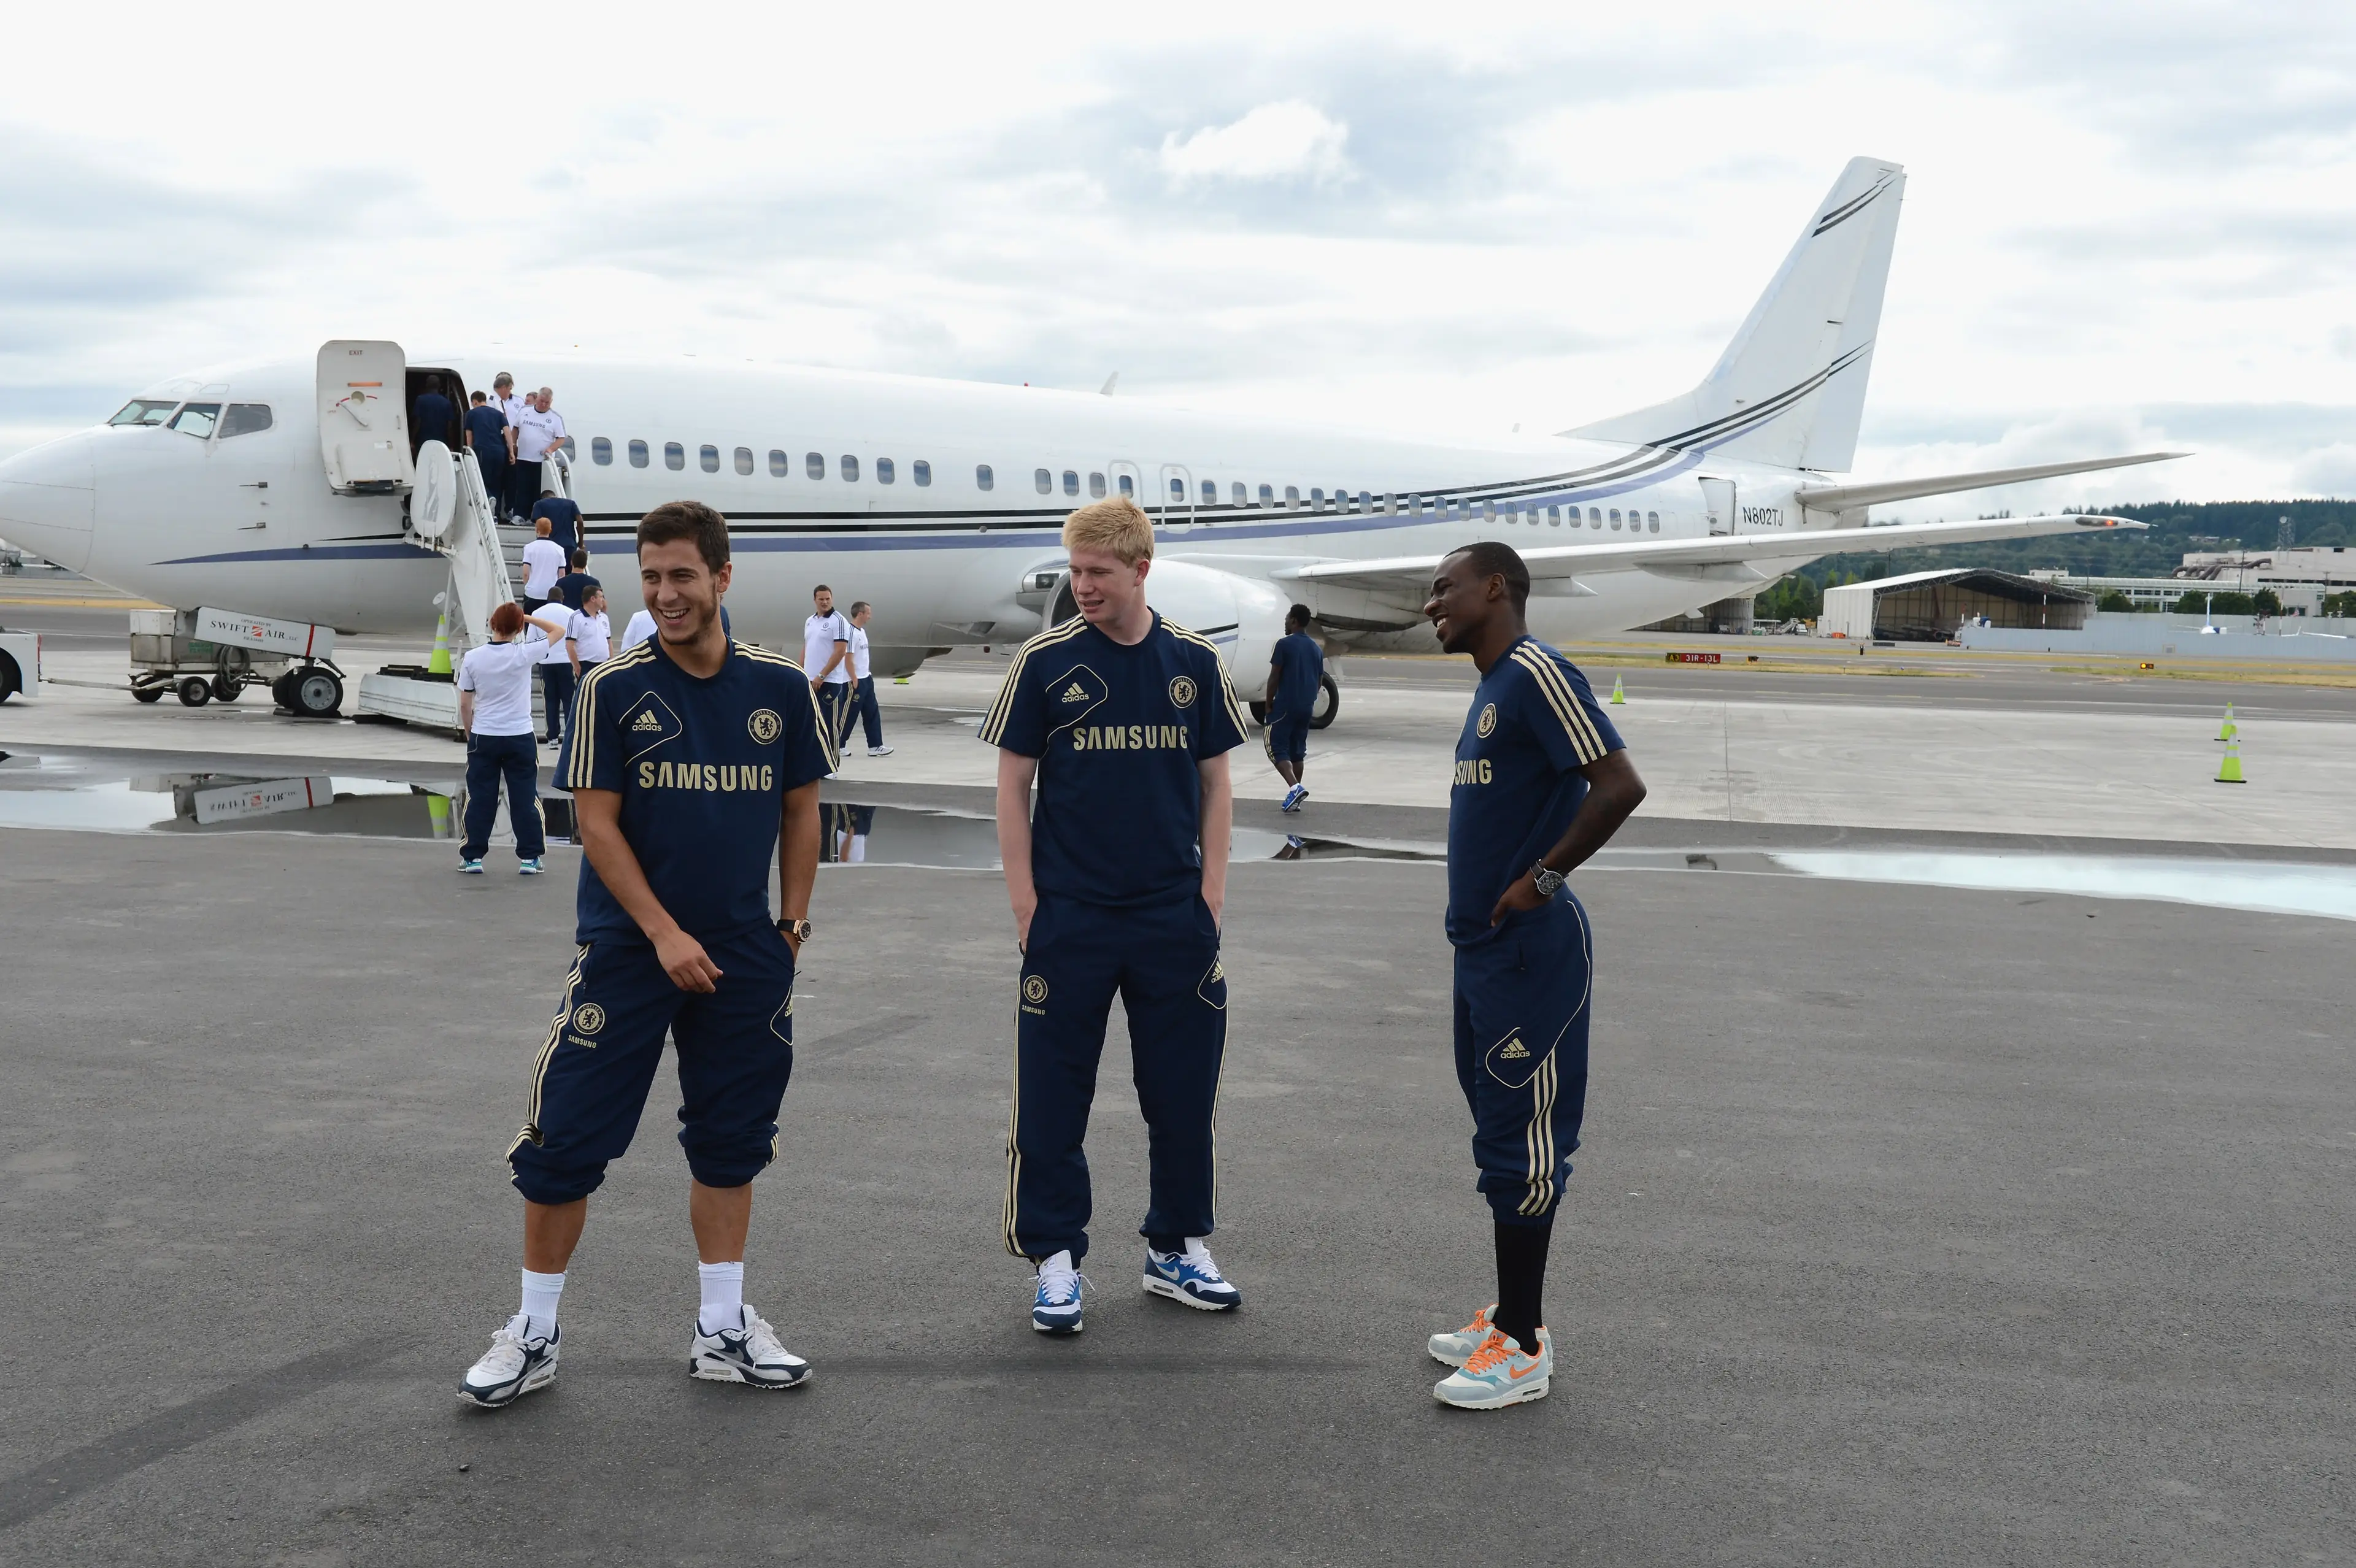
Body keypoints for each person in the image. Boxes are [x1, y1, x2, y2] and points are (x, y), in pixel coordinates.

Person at [457, 499, 836, 1409]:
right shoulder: (613, 690)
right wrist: (664, 934)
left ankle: (723, 1329)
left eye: (683, 576)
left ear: (722, 578)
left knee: (731, 1142)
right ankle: (535, 1334)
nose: (666, 594)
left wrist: (790, 928)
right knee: (565, 1140)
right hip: (630, 951)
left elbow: (800, 810)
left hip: (744, 952)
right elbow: (596, 825)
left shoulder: (779, 688)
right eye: (652, 577)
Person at [981, 495, 1249, 1335]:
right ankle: (1055, 1260)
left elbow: (1216, 784)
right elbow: (1012, 786)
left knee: (1180, 1094)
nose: (1084, 587)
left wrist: (1210, 896)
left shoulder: (1194, 664)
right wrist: (1027, 903)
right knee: (1053, 1095)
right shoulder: (1044, 662)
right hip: (1073, 920)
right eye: (1076, 571)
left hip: (1173, 918)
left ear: (1141, 570)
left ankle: (1176, 1246)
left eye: (1099, 573)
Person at [1417, 541, 1646, 1411]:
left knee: (1526, 1148)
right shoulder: (1492, 686)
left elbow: (1619, 785)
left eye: (1445, 588)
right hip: (1481, 953)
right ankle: (1514, 1317)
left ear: (1496, 588)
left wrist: (1542, 879)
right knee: (1496, 1134)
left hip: (1530, 952)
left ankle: (1521, 1352)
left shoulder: (1538, 671)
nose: (1432, 602)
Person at [455, 601, 574, 875]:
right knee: (524, 796)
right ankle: (530, 858)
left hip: (485, 734)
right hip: (519, 735)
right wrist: (527, 618)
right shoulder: (524, 653)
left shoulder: (473, 658)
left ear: (492, 625)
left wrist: (470, 731)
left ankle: (473, 857)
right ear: (519, 628)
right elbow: (558, 629)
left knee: (480, 796)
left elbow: (465, 703)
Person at [1264, 605, 1323, 812]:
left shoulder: (1284, 645)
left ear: (1295, 621)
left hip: (1286, 705)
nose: (1286, 622)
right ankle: (1295, 796)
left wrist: (1269, 703)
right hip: (1306, 706)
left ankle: (1294, 787)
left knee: (1275, 747)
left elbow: (1275, 676)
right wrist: (1311, 699)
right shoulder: (1316, 648)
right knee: (1297, 752)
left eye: (1288, 618)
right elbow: (1319, 679)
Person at [801, 586, 853, 751]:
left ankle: (832, 764)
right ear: (815, 600)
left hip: (829, 682)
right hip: (810, 680)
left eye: (827, 599)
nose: (825, 602)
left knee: (829, 724)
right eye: (821, 599)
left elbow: (840, 652)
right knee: (810, 723)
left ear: (832, 599)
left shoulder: (838, 621)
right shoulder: (810, 620)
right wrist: (801, 671)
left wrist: (822, 676)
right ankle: (813, 762)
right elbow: (807, 647)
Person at [842, 600, 892, 757]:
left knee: (872, 712)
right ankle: (838, 745)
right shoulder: (850, 634)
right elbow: (847, 658)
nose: (870, 617)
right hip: (855, 680)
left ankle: (875, 745)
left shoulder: (861, 632)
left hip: (866, 678)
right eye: (868, 613)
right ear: (860, 614)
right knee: (849, 714)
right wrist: (854, 678)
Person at [493, 374, 532, 521]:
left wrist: (514, 445)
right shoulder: (491, 400)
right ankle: (495, 512)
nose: (510, 391)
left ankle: (510, 510)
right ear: (503, 388)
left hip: (513, 444)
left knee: (511, 481)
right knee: (496, 479)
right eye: (509, 388)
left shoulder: (518, 402)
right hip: (497, 442)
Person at [464, 390, 509, 504]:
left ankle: (489, 498)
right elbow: (507, 431)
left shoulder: (471, 414)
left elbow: (469, 435)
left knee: (482, 479)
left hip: (482, 450)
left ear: (474, 402)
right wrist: (512, 452)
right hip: (500, 451)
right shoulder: (498, 414)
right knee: (497, 481)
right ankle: (496, 513)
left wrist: (469, 451)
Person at [519, 517, 565, 613]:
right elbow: (561, 575)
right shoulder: (559, 549)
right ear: (550, 530)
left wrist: (528, 585)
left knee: (530, 623)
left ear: (537, 529)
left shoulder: (529, 548)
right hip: (551, 594)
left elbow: (526, 573)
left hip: (533, 593)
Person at [410, 375, 456, 459]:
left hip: (423, 442)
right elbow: (450, 427)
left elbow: (417, 422)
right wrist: (451, 445)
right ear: (439, 386)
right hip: (442, 443)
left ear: (427, 385)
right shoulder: (447, 403)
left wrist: (412, 441)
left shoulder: (420, 400)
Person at [550, 548, 601, 615]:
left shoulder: (561, 582)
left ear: (571, 562)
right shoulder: (594, 583)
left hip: (566, 619)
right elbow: (602, 604)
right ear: (586, 564)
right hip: (586, 620)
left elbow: (554, 605)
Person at [533, 490, 583, 555]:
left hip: (550, 546)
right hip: (569, 545)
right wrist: (581, 543)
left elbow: (538, 524)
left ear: (543, 498)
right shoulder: (571, 503)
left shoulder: (539, 504)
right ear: (555, 496)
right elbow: (580, 521)